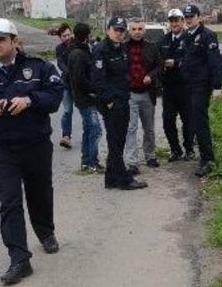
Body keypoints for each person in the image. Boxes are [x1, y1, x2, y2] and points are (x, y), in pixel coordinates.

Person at [0, 18, 64, 285]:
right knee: (9, 203)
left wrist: (30, 100)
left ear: (14, 42)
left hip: (36, 146)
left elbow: (56, 97)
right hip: (3, 149)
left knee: (40, 194)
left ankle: (46, 232)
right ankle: (19, 259)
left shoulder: (39, 67)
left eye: (0, 39)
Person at [90, 17, 148, 190]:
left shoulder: (121, 48)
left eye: (122, 30)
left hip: (123, 99)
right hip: (112, 103)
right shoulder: (101, 50)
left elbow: (124, 74)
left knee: (118, 140)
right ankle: (123, 179)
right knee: (115, 141)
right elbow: (98, 80)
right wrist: (108, 101)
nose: (119, 33)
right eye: (116, 30)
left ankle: (111, 177)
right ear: (108, 29)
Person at [180, 4, 222, 177]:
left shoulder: (207, 36)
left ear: (198, 17)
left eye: (191, 16)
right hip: (188, 85)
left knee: (200, 122)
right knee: (191, 121)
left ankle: (207, 159)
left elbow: (216, 62)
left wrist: (217, 86)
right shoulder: (186, 36)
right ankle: (197, 152)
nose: (188, 19)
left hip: (201, 85)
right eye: (186, 17)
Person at [123, 17, 163, 175]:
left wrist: (151, 76)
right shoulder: (122, 48)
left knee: (149, 129)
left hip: (147, 93)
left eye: (140, 29)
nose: (137, 32)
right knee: (131, 128)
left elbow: (160, 65)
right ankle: (132, 162)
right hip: (130, 94)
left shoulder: (152, 48)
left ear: (144, 30)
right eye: (134, 29)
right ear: (129, 31)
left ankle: (150, 156)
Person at [66, 22, 104, 173]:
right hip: (85, 98)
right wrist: (94, 89)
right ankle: (92, 162)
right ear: (86, 35)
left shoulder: (79, 50)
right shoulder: (78, 54)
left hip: (84, 97)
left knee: (88, 129)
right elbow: (79, 79)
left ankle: (86, 162)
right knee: (96, 129)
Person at [157, 8, 194, 162]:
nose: (174, 23)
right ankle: (175, 149)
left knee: (188, 121)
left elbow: (192, 60)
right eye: (171, 20)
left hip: (185, 86)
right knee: (167, 120)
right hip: (169, 87)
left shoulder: (190, 39)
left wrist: (176, 62)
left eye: (177, 20)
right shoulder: (163, 41)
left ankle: (189, 149)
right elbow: (157, 60)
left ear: (182, 21)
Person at [55, 23, 74, 149]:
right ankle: (66, 136)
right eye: (64, 36)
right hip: (66, 83)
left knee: (86, 111)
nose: (67, 37)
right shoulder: (59, 48)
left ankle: (89, 134)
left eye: (68, 34)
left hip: (80, 84)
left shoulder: (78, 45)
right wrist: (69, 72)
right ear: (60, 37)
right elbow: (60, 63)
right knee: (67, 110)